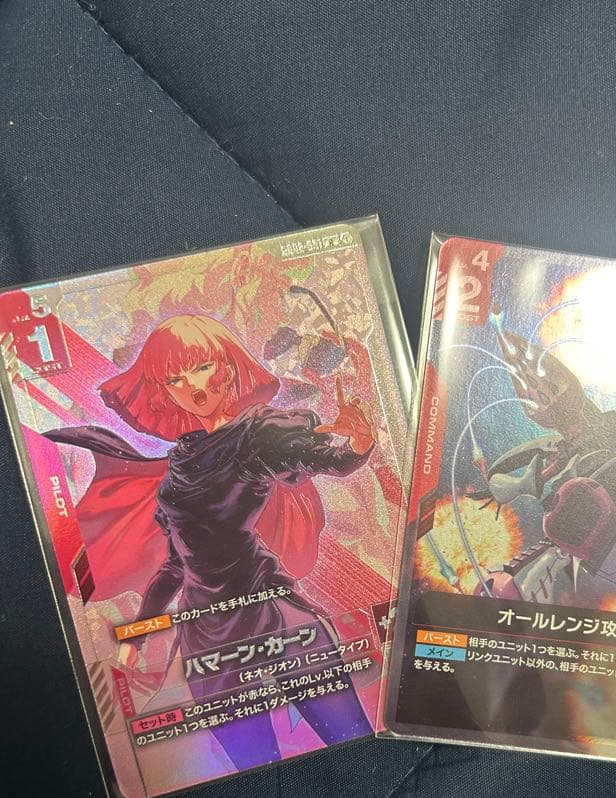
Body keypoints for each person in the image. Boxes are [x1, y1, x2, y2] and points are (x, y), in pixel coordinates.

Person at [47, 313, 376, 769]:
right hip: (206, 633)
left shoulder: (257, 434)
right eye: (176, 379)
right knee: (254, 771)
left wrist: (358, 445)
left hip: (270, 608)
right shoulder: (180, 464)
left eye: (202, 367)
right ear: (165, 391)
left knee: (355, 747)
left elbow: (324, 459)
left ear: (227, 366)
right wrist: (138, 634)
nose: (194, 387)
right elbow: (176, 565)